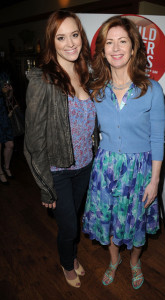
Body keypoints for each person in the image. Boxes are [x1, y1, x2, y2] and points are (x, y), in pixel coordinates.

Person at [83, 16, 165, 290]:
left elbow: (157, 139)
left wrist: (154, 181)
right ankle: (114, 259)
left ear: (133, 48)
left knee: (136, 223)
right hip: (105, 169)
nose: (116, 48)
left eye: (122, 41)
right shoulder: (96, 90)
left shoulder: (152, 90)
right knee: (107, 221)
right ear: (103, 50)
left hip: (139, 171)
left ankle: (134, 262)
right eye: (109, 42)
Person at [24, 10, 98, 288]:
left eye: (75, 35)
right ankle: (67, 261)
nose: (70, 43)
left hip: (85, 167)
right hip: (59, 171)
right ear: (51, 42)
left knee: (74, 220)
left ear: (81, 35)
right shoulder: (43, 81)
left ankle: (71, 253)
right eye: (61, 37)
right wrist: (45, 186)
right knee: (69, 227)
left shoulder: (85, 72)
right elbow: (33, 142)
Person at [0, 69, 14, 185]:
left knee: (10, 144)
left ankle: (6, 167)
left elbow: (9, 98)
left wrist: (9, 92)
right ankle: (0, 172)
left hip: (4, 114)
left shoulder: (3, 74)